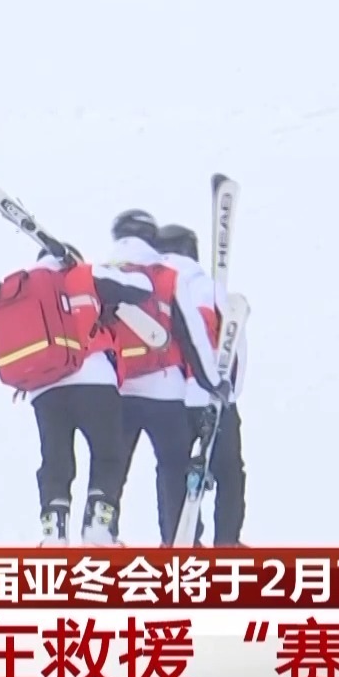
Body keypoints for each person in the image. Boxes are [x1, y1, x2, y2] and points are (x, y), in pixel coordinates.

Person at [18, 243, 154, 547]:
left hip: (45, 388)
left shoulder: (24, 289)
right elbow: (141, 288)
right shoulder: (86, 274)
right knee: (108, 455)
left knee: (55, 461)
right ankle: (98, 528)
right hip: (93, 380)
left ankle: (53, 533)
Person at [106, 210, 219, 546]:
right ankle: (178, 540)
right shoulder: (168, 277)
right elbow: (192, 337)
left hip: (118, 391)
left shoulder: (99, 275)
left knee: (111, 467)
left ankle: (102, 533)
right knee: (173, 468)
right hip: (166, 391)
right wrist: (212, 382)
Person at [158, 223, 249, 547]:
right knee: (229, 471)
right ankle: (227, 541)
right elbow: (235, 344)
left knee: (171, 469)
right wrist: (230, 392)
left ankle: (175, 539)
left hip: (168, 398)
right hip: (211, 394)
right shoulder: (210, 288)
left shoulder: (154, 288)